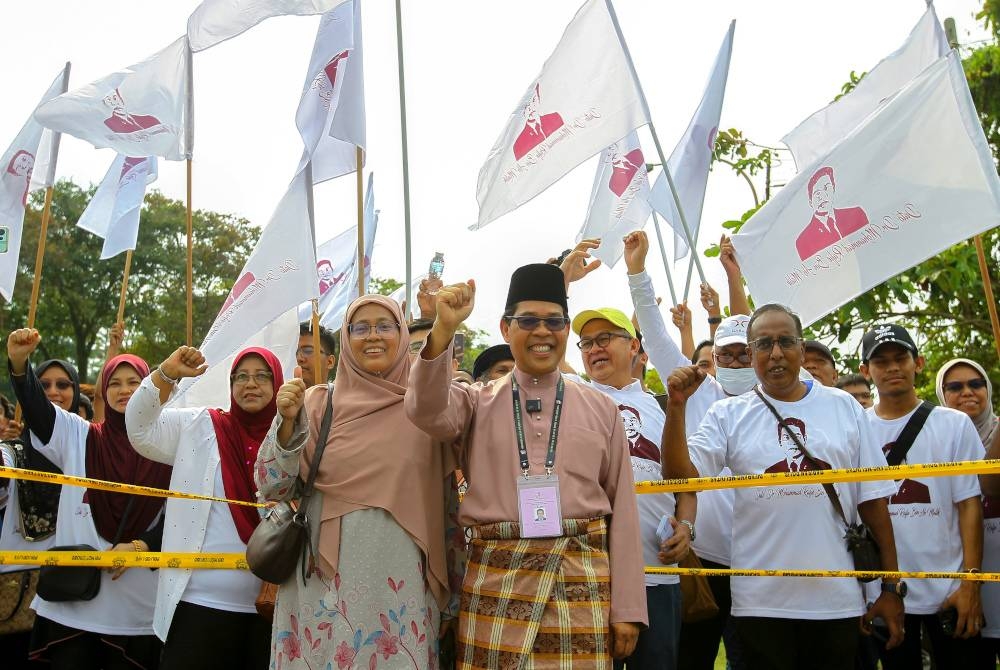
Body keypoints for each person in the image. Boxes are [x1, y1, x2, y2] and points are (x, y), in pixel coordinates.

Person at [405, 262, 648, 667]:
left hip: (581, 582)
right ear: (506, 328)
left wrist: (628, 609)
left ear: (567, 330)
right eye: (528, 320)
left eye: (554, 321)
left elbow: (623, 509)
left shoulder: (601, 408)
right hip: (497, 580)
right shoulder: (475, 401)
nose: (542, 331)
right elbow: (424, 409)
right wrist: (443, 330)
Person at [661, 304, 905, 670]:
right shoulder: (728, 415)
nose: (775, 353)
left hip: (835, 600)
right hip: (759, 603)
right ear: (752, 354)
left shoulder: (843, 407)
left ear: (802, 351)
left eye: (785, 342)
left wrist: (890, 587)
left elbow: (873, 503)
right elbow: (682, 477)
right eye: (762, 344)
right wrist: (677, 407)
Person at [256, 295, 460, 670]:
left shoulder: (428, 411)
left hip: (401, 591)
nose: (373, 336)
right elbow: (272, 488)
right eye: (360, 327)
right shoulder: (317, 403)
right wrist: (286, 425)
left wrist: (453, 595)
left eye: (385, 326)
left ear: (401, 333)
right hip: (323, 587)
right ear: (346, 338)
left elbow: (448, 510)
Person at [8, 329, 169, 670]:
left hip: (137, 603)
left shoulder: (168, 443)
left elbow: (180, 514)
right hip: (74, 603)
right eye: (115, 383)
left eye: (135, 382)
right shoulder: (78, 434)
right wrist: (20, 364)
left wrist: (141, 546)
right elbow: (38, 409)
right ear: (103, 390)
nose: (125, 390)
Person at [125, 346, 282, 670]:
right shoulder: (202, 426)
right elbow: (140, 430)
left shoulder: (295, 435)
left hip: (276, 612)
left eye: (261, 376)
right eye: (241, 377)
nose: (250, 384)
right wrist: (166, 373)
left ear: (278, 382)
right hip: (198, 606)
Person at [571, 305, 694, 669]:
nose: (594, 349)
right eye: (587, 342)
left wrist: (686, 527)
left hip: (657, 572)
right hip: (592, 575)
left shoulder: (662, 406)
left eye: (605, 338)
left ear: (635, 347)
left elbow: (685, 482)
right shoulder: (574, 398)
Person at [858, 325, 985, 670]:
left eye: (901, 358)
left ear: (919, 363)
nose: (893, 367)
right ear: (865, 371)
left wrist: (971, 584)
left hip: (949, 592)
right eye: (881, 361)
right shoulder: (855, 428)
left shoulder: (954, 424)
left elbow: (970, 504)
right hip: (885, 593)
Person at [935, 358, 1000, 666]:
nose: (967, 393)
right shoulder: (932, 443)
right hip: (960, 589)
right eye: (955, 387)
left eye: (976, 384)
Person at [795, 166, 870, 261]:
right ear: (810, 201)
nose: (822, 196)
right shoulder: (803, 241)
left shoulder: (856, 214)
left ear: (833, 189)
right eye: (817, 193)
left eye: (826, 188)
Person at [296, 322, 337, 387]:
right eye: (294, 352)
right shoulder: (277, 396)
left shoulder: (344, 396)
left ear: (330, 362)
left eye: (308, 350)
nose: (299, 358)